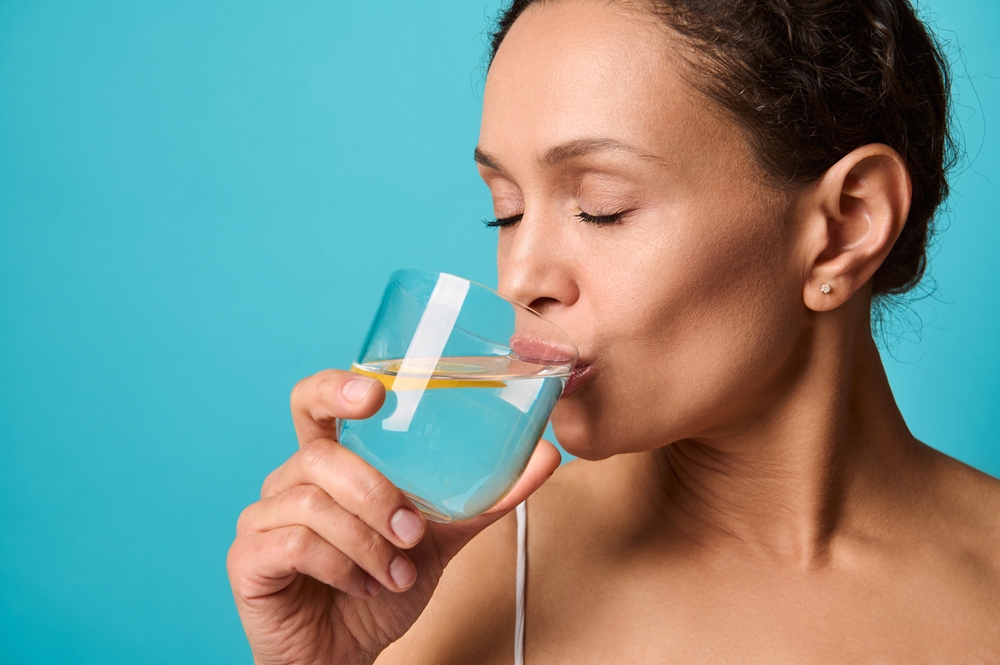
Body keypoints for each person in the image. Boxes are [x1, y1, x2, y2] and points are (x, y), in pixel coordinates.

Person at [227, 0, 1000, 662]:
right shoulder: (438, 577)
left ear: (845, 226)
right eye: (506, 209)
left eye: (601, 206)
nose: (520, 277)